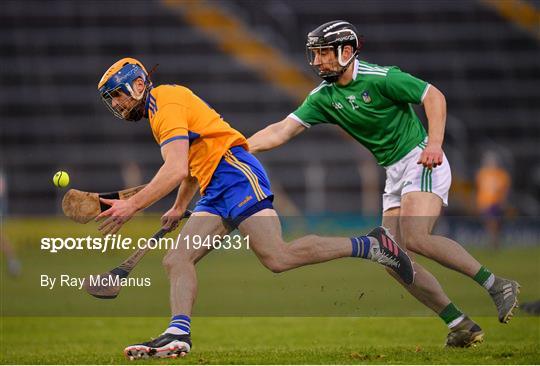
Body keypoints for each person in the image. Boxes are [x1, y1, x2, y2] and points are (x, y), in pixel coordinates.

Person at [95, 58, 415, 359]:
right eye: (112, 101)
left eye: (118, 96)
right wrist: (179, 206)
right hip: (215, 185)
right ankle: (178, 333)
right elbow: (191, 163)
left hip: (234, 172)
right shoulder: (158, 111)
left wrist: (132, 205)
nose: (117, 105)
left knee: (277, 256)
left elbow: (176, 168)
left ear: (138, 85)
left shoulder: (166, 103)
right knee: (177, 258)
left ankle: (371, 245)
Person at [247, 20, 520, 347]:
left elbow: (434, 96)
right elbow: (280, 130)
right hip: (393, 172)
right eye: (314, 54)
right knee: (394, 260)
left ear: (346, 52)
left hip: (421, 158)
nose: (317, 61)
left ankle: (497, 284)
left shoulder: (381, 77)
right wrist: (237, 148)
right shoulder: (323, 96)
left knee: (417, 238)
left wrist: (435, 143)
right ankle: (459, 323)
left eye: (323, 53)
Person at [475, 151, 511, 249]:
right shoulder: (482, 173)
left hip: (496, 203)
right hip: (485, 203)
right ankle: (493, 242)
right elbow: (479, 189)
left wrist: (503, 202)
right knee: (490, 223)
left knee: (495, 224)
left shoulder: (502, 175)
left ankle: (494, 242)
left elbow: (505, 190)